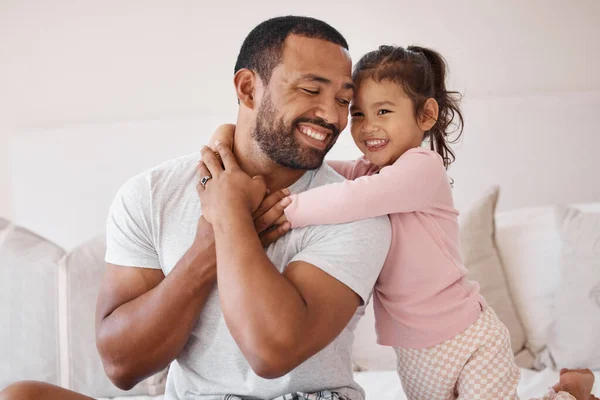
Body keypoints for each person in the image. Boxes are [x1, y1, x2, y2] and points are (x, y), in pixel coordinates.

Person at [0, 16, 393, 400]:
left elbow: (272, 353)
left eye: (344, 100)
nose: (332, 116)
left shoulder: (355, 210)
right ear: (247, 88)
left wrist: (232, 219)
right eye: (311, 90)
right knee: (22, 395)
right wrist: (209, 244)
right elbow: (122, 367)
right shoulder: (151, 194)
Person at [207, 45, 598, 400]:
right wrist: (230, 142)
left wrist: (280, 211)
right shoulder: (367, 170)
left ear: (425, 115)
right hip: (413, 352)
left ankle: (570, 395)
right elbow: (315, 173)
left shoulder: (421, 169)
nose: (367, 127)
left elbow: (350, 198)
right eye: (358, 114)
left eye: (384, 112)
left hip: (468, 338)